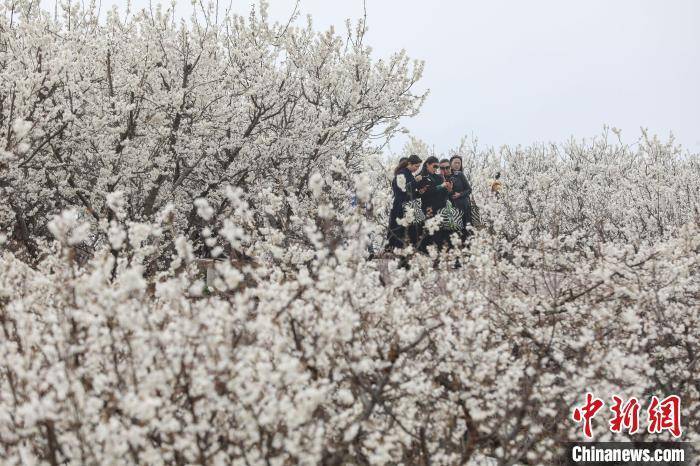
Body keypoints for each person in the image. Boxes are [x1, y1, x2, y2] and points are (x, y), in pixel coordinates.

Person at [386, 154, 423, 250]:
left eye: (418, 167)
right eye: (416, 166)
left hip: (410, 204)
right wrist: (416, 181)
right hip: (403, 204)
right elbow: (403, 189)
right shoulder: (401, 173)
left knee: (413, 231)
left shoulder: (408, 173)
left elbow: (410, 191)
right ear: (409, 164)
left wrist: (419, 191)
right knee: (402, 231)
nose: (417, 169)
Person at [417, 156, 452, 251]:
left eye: (438, 167)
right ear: (427, 164)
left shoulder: (438, 177)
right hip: (429, 209)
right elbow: (427, 192)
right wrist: (441, 186)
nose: (436, 169)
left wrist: (448, 189)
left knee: (440, 236)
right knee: (429, 235)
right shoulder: (421, 177)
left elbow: (444, 193)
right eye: (434, 166)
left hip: (441, 210)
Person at [449, 155, 473, 239]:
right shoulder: (446, 175)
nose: (457, 165)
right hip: (452, 205)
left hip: (463, 205)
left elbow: (469, 189)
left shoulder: (460, 174)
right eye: (455, 162)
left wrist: (460, 194)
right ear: (450, 164)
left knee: (466, 229)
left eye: (459, 163)